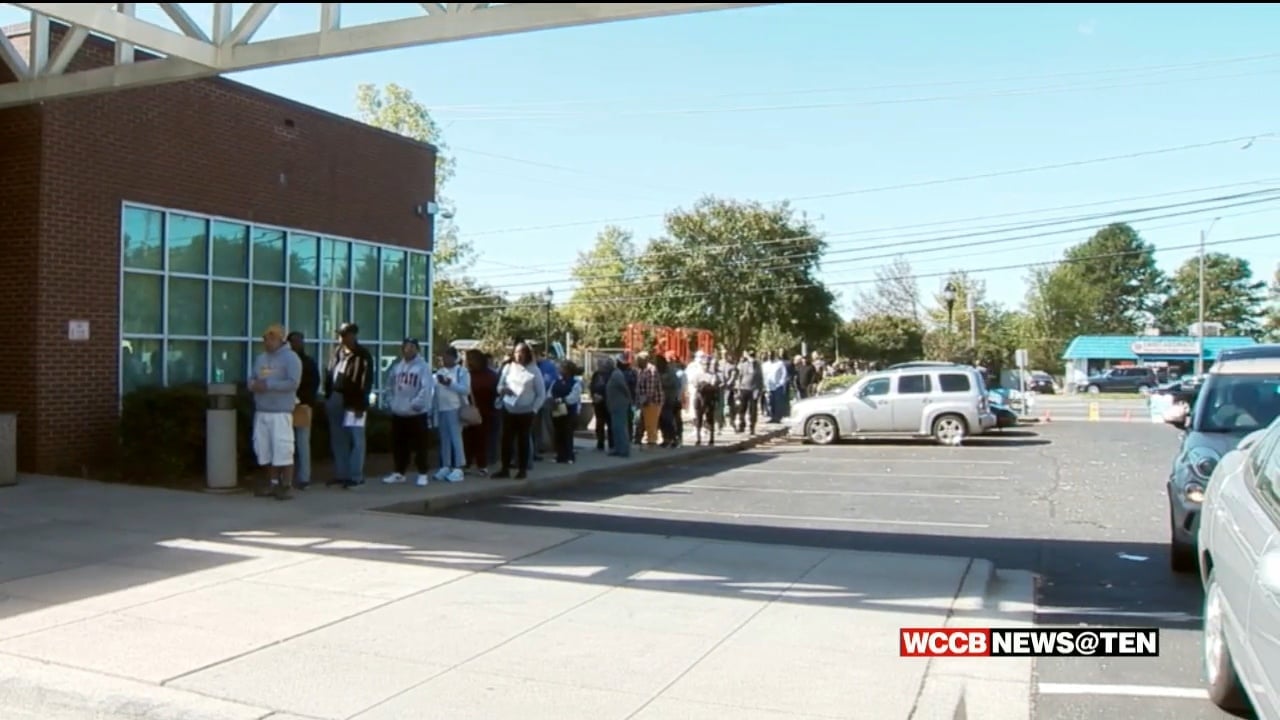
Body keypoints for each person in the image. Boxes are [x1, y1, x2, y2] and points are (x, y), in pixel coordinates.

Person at [250, 324, 302, 500]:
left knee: (283, 448)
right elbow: (252, 378)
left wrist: (269, 385)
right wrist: (253, 385)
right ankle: (271, 483)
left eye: (272, 338)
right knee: (265, 449)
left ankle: (286, 485)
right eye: (265, 338)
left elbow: (293, 382)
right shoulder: (260, 358)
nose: (268, 342)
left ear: (281, 339)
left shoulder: (291, 358)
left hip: (281, 412)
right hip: (262, 411)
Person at [324, 322, 374, 489]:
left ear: (353, 335)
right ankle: (341, 474)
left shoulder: (362, 355)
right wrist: (328, 395)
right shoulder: (337, 353)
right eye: (341, 335)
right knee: (338, 438)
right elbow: (329, 374)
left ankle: (355, 476)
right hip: (336, 397)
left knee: (356, 438)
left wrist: (360, 405)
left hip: (354, 401)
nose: (342, 338)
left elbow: (365, 382)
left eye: (345, 334)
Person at [381, 338, 433, 487]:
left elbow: (426, 388)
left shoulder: (423, 368)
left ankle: (422, 473)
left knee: (420, 445)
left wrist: (415, 404)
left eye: (412, 347)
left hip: (416, 413)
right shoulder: (397, 367)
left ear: (417, 349)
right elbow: (389, 386)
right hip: (399, 412)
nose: (408, 350)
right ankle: (399, 472)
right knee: (399, 444)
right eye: (406, 347)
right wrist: (391, 402)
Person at [494, 342, 546, 479]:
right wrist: (502, 390)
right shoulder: (508, 368)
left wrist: (534, 409)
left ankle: (522, 469)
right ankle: (505, 468)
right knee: (506, 440)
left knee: (523, 441)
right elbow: (499, 386)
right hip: (508, 408)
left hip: (526, 411)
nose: (519, 355)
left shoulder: (534, 371)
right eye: (516, 352)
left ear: (527, 354)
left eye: (522, 352)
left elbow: (541, 394)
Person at [286, 331, 320, 490]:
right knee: (286, 443)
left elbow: (314, 383)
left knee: (302, 442)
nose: (296, 344)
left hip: (303, 406)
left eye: (299, 341)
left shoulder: (308, 362)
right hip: (285, 406)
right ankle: (287, 476)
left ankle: (304, 477)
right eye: (294, 341)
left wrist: (305, 401)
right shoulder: (284, 362)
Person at [433, 346, 471, 483]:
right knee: (444, 439)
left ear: (454, 358)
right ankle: (446, 465)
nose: (445, 360)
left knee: (456, 438)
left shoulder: (461, 371)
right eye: (443, 357)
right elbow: (436, 392)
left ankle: (459, 466)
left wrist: (449, 383)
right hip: (442, 409)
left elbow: (465, 390)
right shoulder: (440, 372)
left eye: (447, 357)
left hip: (455, 408)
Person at [463, 349, 498, 476]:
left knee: (472, 439)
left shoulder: (469, 375)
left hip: (476, 410)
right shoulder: (490, 375)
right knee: (478, 439)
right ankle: (480, 464)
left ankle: (471, 463)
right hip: (485, 410)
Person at [549, 360, 583, 464]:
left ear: (568, 370)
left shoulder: (575, 383)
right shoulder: (556, 382)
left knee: (567, 433)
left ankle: (569, 456)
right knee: (558, 432)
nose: (559, 369)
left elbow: (574, 397)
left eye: (562, 367)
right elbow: (550, 392)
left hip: (569, 411)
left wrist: (562, 400)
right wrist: (551, 399)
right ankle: (559, 455)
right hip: (556, 410)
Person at [604, 355, 633, 457]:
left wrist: (629, 400)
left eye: (607, 365)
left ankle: (623, 450)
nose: (605, 367)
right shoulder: (613, 374)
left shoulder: (617, 374)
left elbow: (625, 388)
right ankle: (617, 448)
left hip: (619, 405)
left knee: (620, 428)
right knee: (616, 428)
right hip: (614, 406)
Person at [635, 352, 664, 448]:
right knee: (646, 422)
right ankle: (649, 440)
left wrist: (646, 400)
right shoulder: (641, 370)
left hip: (653, 401)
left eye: (638, 360)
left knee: (651, 422)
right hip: (644, 400)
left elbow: (650, 389)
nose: (637, 362)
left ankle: (652, 442)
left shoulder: (651, 370)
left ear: (644, 360)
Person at [733, 349, 762, 434]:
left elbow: (760, 378)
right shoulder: (742, 365)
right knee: (742, 409)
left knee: (753, 410)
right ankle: (742, 425)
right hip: (744, 389)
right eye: (750, 356)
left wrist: (760, 389)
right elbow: (739, 377)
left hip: (754, 390)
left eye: (753, 356)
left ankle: (752, 427)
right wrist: (738, 389)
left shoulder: (758, 365)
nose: (752, 358)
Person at [588, 357, 613, 452]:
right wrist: (593, 395)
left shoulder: (610, 375)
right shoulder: (596, 375)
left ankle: (612, 444)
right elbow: (592, 385)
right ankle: (600, 443)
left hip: (607, 402)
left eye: (600, 365)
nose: (599, 366)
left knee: (610, 424)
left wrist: (603, 396)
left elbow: (610, 388)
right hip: (597, 403)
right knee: (599, 424)